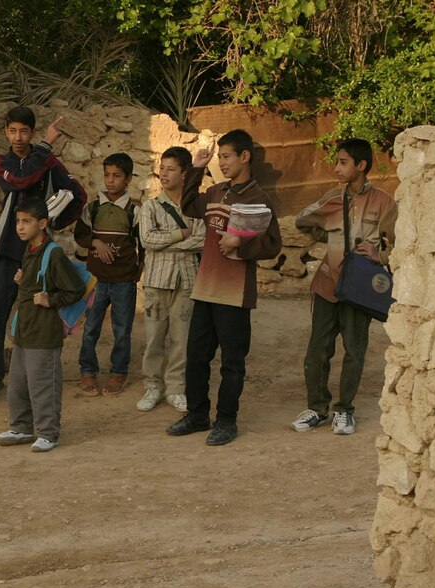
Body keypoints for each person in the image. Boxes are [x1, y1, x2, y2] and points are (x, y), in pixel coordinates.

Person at [167, 130, 281, 446]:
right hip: (205, 289)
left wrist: (241, 243)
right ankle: (197, 415)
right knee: (196, 356)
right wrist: (197, 168)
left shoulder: (259, 198)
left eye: (226, 156)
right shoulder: (216, 191)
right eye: (220, 157)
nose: (223, 162)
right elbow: (189, 204)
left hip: (234, 293)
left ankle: (226, 420)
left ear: (245, 156)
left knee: (232, 361)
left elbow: (273, 244)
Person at [290, 138, 397, 435]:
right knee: (317, 351)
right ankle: (316, 408)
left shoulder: (385, 203)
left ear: (361, 166)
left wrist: (380, 255)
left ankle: (344, 410)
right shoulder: (332, 198)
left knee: (354, 351)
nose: (336, 168)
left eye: (343, 162)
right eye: (336, 162)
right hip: (327, 283)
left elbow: (401, 244)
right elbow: (303, 222)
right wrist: (332, 237)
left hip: (360, 289)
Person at [0, 105, 75, 403]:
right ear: (5, 132)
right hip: (9, 250)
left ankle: (35, 378)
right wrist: (46, 146)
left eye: (24, 131)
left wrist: (56, 218)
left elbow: (76, 192)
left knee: (38, 314)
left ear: (31, 132)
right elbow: (21, 178)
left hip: (40, 252)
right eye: (12, 131)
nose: (18, 137)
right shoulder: (3, 163)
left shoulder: (48, 161)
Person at [0, 197, 85, 452]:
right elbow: (39, 281)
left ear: (43, 223)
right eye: (18, 221)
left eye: (27, 221)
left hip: (44, 332)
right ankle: (21, 427)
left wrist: (50, 299)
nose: (20, 227)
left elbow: (75, 289)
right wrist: (23, 280)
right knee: (18, 385)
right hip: (25, 329)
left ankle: (48, 432)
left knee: (43, 385)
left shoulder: (53, 253)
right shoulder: (31, 249)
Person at [137, 146, 206, 412]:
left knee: (182, 339)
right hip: (157, 282)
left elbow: (202, 240)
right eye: (161, 168)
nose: (163, 173)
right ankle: (152, 386)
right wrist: (180, 236)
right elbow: (147, 240)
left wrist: (169, 243)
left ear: (184, 174)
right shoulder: (150, 206)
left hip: (187, 280)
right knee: (154, 338)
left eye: (170, 169)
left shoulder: (196, 206)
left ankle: (176, 388)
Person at [74, 152, 142, 396]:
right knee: (90, 326)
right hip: (96, 279)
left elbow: (142, 244)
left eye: (117, 176)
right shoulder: (92, 208)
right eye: (107, 175)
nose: (110, 180)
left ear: (128, 179)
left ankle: (119, 372)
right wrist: (96, 243)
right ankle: (87, 370)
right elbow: (79, 234)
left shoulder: (134, 211)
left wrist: (137, 273)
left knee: (122, 328)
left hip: (124, 280)